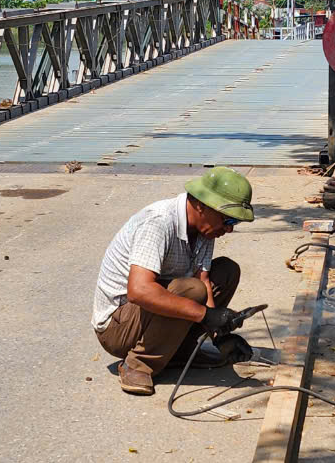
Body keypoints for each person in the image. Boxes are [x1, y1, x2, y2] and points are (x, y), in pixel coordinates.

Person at [92, 167, 256, 395]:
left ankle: (179, 350)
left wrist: (220, 335)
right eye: (226, 219)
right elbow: (138, 291)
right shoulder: (158, 223)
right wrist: (207, 315)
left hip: (151, 311)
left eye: (234, 223)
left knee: (226, 271)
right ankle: (138, 363)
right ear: (201, 205)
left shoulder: (204, 228)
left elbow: (204, 279)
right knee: (191, 290)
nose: (228, 229)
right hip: (118, 326)